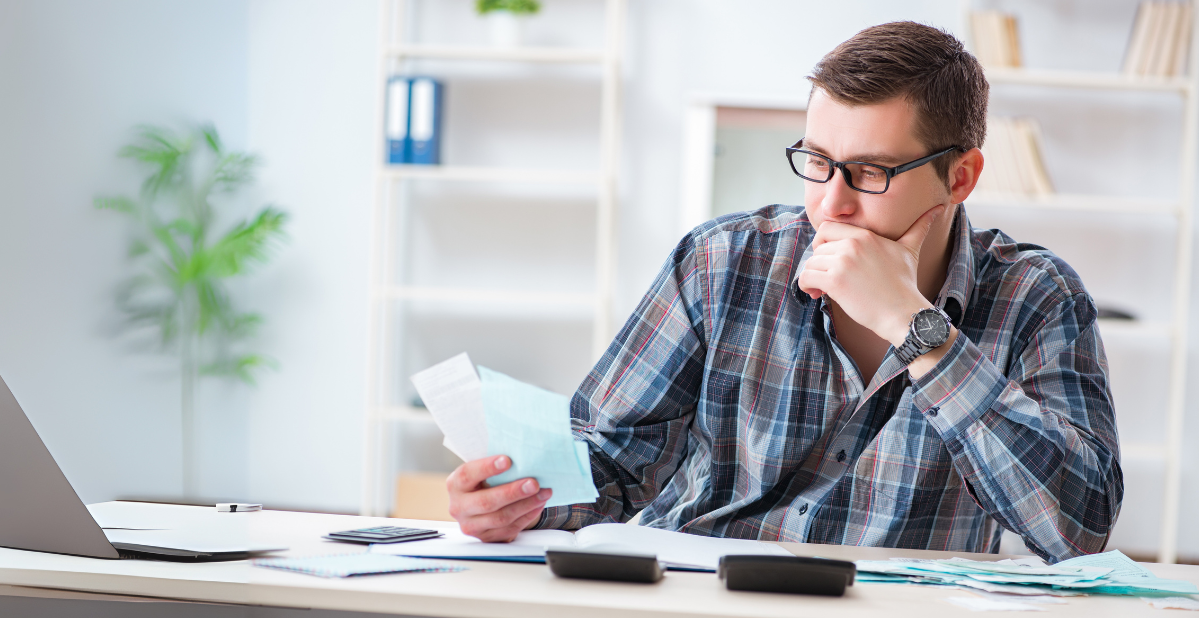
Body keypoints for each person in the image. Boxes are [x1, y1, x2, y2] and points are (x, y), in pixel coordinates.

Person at [445, 21, 1122, 563]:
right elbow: (609, 468)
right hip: (697, 606)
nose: (832, 204)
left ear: (961, 177)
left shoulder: (1037, 296)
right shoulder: (721, 262)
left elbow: (1078, 530)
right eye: (819, 162)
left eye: (870, 173)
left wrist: (917, 328)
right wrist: (514, 501)